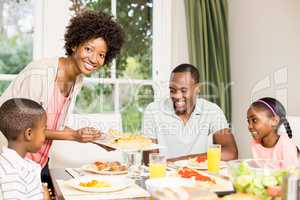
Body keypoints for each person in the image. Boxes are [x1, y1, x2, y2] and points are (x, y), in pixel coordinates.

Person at [0, 10, 124, 188]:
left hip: (38, 164)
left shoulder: (77, 80)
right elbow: (24, 126)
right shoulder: (40, 73)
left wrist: (99, 140)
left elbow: (51, 125)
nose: (94, 59)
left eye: (101, 55)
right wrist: (74, 136)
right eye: (88, 49)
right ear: (75, 44)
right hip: (10, 165)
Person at [142, 63, 238, 161]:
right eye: (172, 90)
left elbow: (230, 152)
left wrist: (181, 161)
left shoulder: (212, 110)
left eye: (183, 90)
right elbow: (149, 160)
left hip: (199, 175)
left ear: (197, 89)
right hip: (165, 175)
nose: (177, 96)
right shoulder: (153, 110)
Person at [0, 98, 50, 200]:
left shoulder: (26, 165)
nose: (44, 136)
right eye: (44, 130)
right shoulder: (11, 175)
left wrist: (43, 190)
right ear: (29, 134)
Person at [247, 97, 298, 167]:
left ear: (274, 121)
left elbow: (291, 175)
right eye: (248, 121)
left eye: (254, 120)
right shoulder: (255, 143)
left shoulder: (286, 143)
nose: (249, 126)